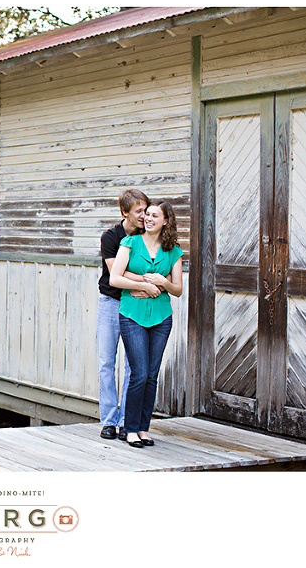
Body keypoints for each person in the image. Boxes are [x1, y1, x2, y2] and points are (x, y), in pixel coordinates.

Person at [109, 201, 183, 448]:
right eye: (147, 215)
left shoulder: (173, 251)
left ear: (165, 221)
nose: (148, 219)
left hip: (161, 317)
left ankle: (143, 428)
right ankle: (129, 428)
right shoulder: (129, 243)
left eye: (154, 216)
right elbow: (115, 278)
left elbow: (178, 289)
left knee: (151, 375)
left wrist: (163, 281)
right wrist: (144, 286)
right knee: (139, 374)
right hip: (132, 314)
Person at [97, 189, 149, 440]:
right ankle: (108, 421)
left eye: (145, 210)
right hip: (110, 302)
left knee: (133, 365)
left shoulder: (146, 237)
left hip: (135, 304)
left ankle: (126, 422)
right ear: (124, 212)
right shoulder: (110, 237)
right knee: (106, 362)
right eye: (138, 211)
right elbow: (115, 272)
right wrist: (145, 281)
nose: (144, 215)